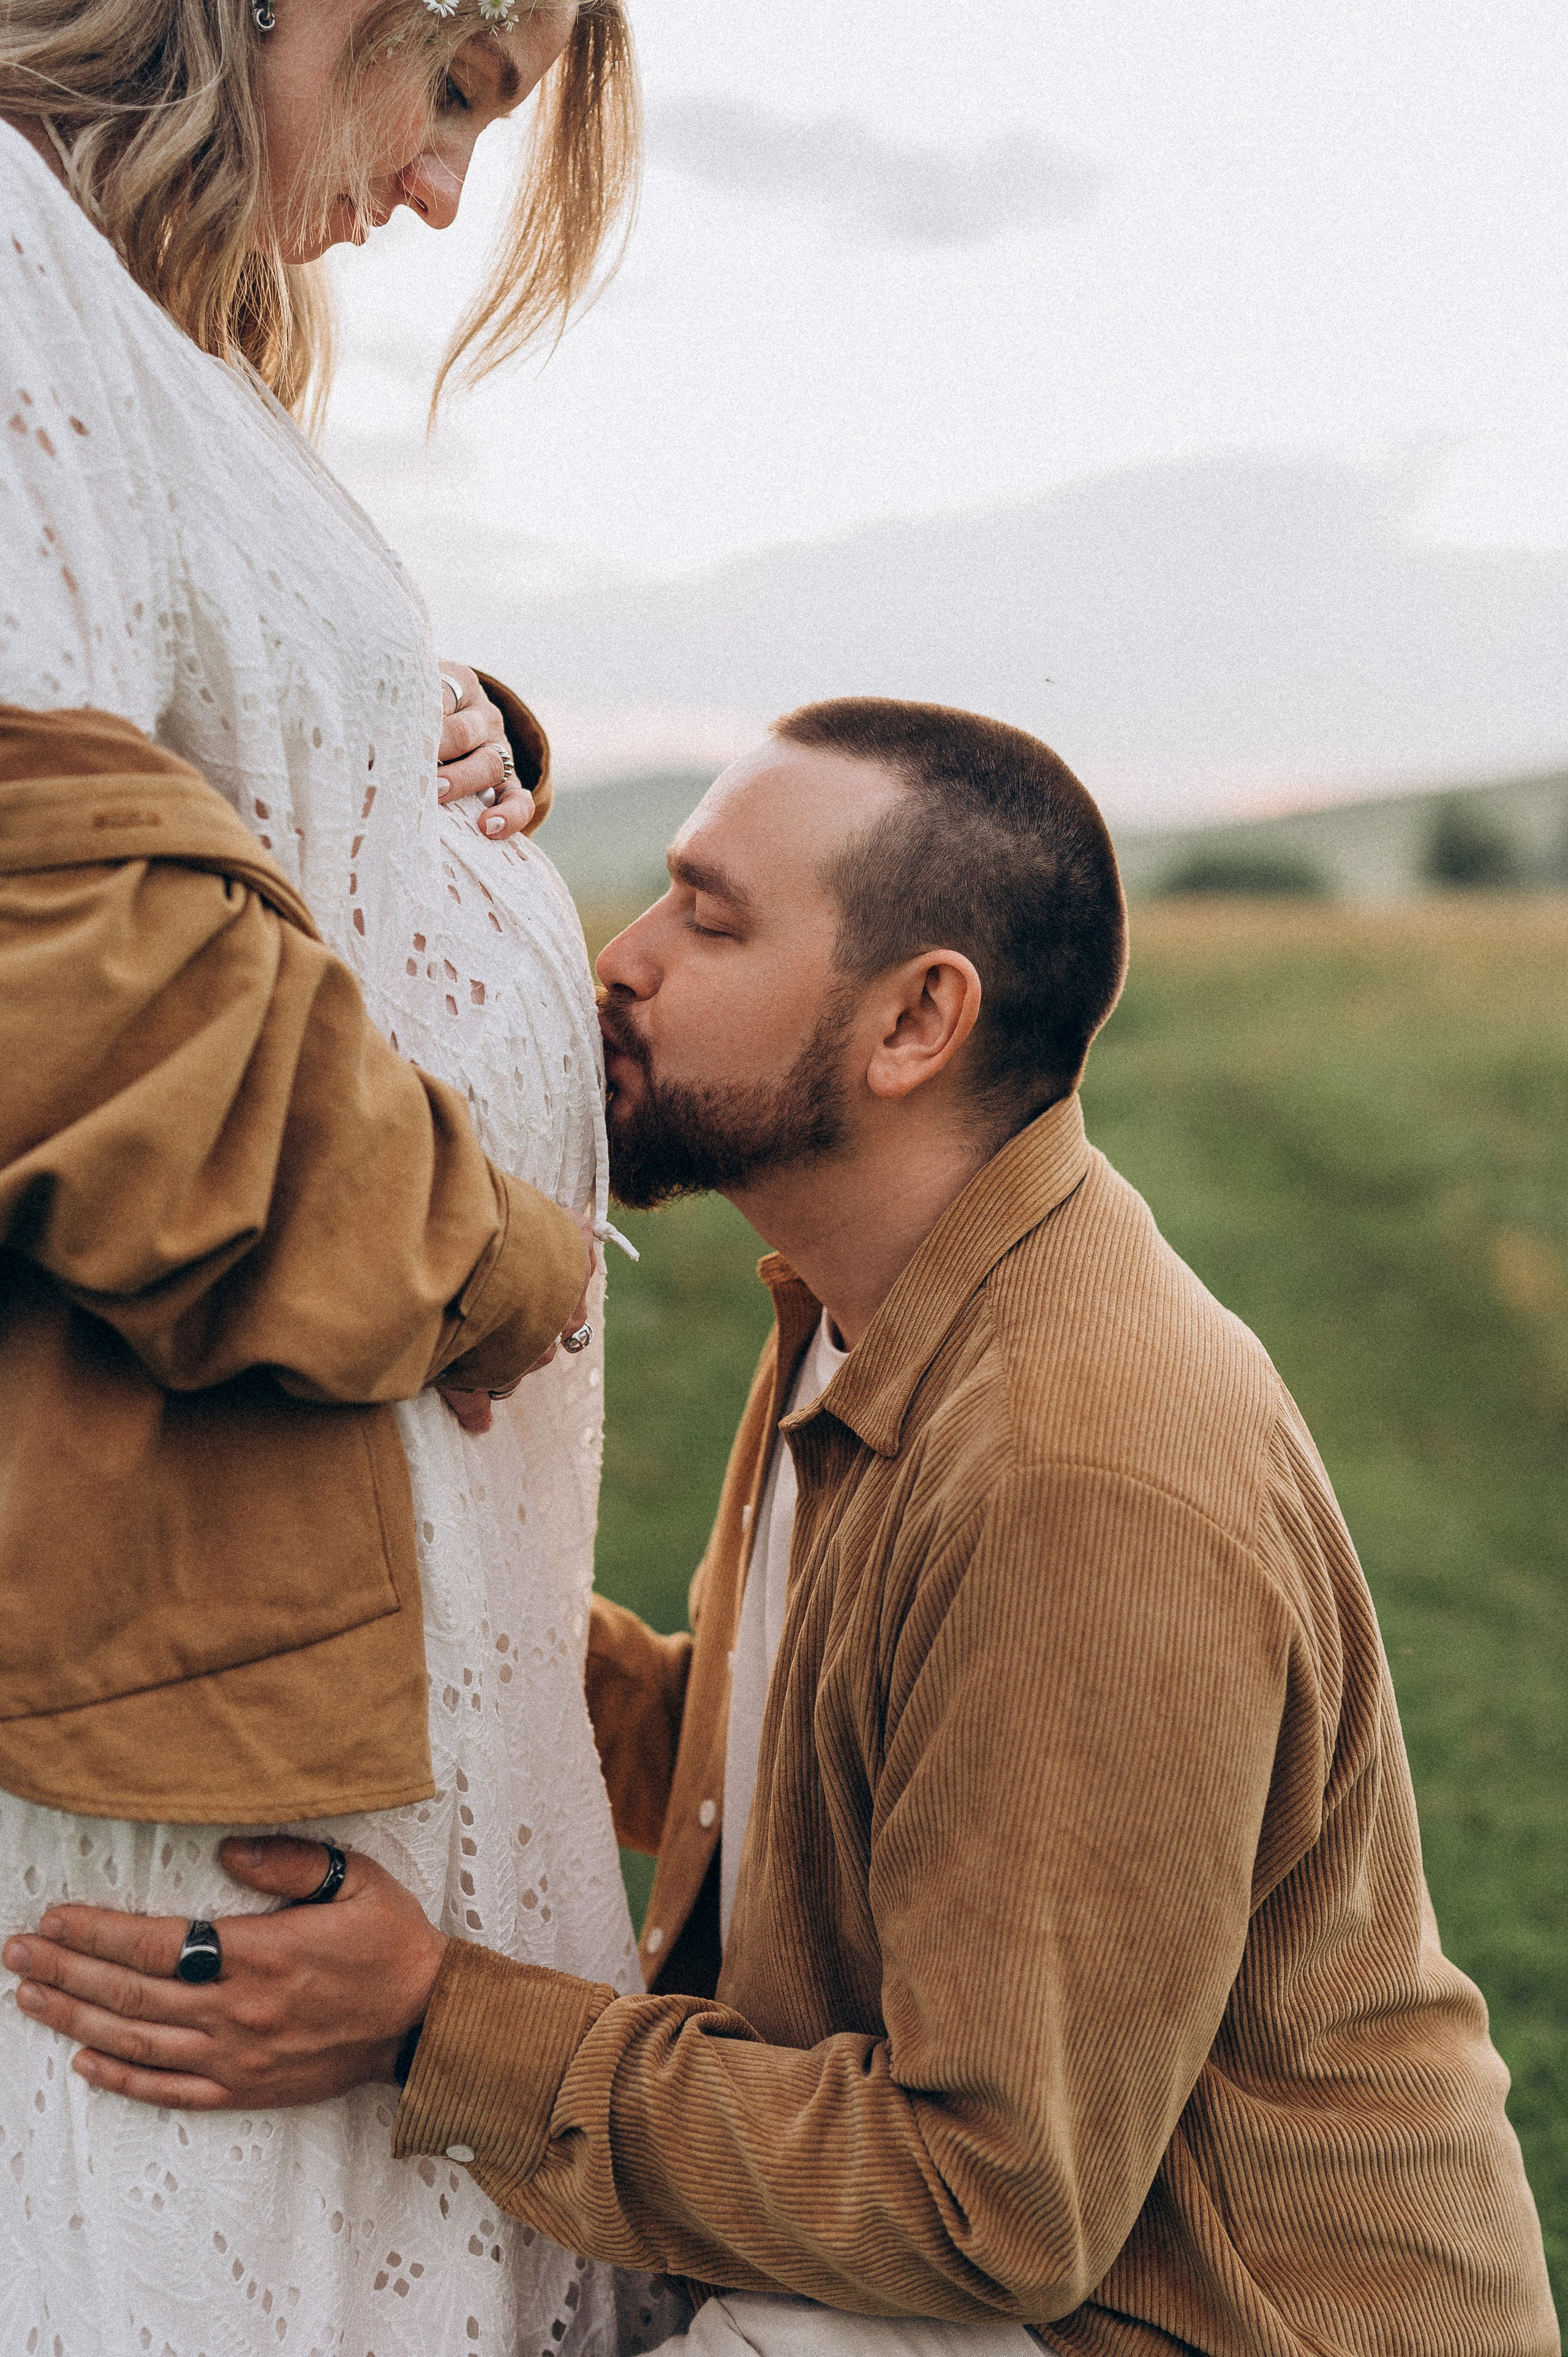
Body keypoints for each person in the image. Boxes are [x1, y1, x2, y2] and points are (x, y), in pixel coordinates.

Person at [9, 700, 1558, 2357]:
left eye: (708, 916)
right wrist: (444, 1609)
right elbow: (810, 1765)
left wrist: (427, 2023)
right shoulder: (871, 1301)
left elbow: (994, 2204)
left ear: (913, 1024)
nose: (624, 958)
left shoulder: (1072, 1471)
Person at [0, 4, 690, 2352]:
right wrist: (488, 1254)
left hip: (337, 1561)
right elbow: (51, 950)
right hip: (213, 1578)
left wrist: (448, 730)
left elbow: (219, 751)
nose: (432, 197)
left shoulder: (120, 319)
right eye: (457, 96)